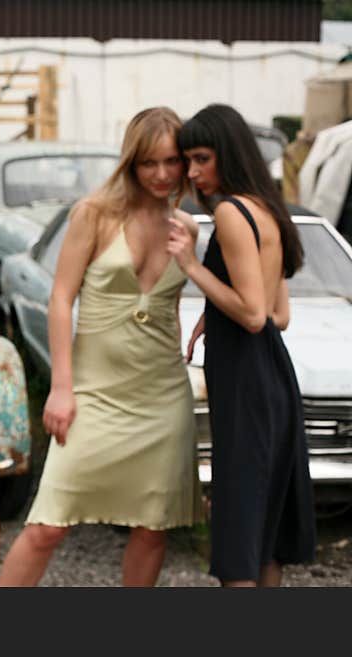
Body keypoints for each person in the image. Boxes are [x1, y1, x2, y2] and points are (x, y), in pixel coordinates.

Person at [0, 107, 201, 587]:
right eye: (149, 162)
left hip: (163, 395)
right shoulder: (94, 213)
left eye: (172, 161)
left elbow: (171, 305)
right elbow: (61, 298)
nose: (162, 174)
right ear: (131, 161)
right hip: (94, 393)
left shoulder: (185, 228)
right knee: (48, 524)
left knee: (154, 528)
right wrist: (62, 389)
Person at [170, 103, 316, 587]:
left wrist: (193, 266)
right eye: (188, 161)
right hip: (274, 374)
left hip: (248, 386)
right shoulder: (266, 207)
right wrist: (216, 316)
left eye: (202, 158)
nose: (193, 172)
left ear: (228, 153)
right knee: (264, 536)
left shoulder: (232, 212)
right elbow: (280, 315)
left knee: (238, 535)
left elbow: (253, 315)